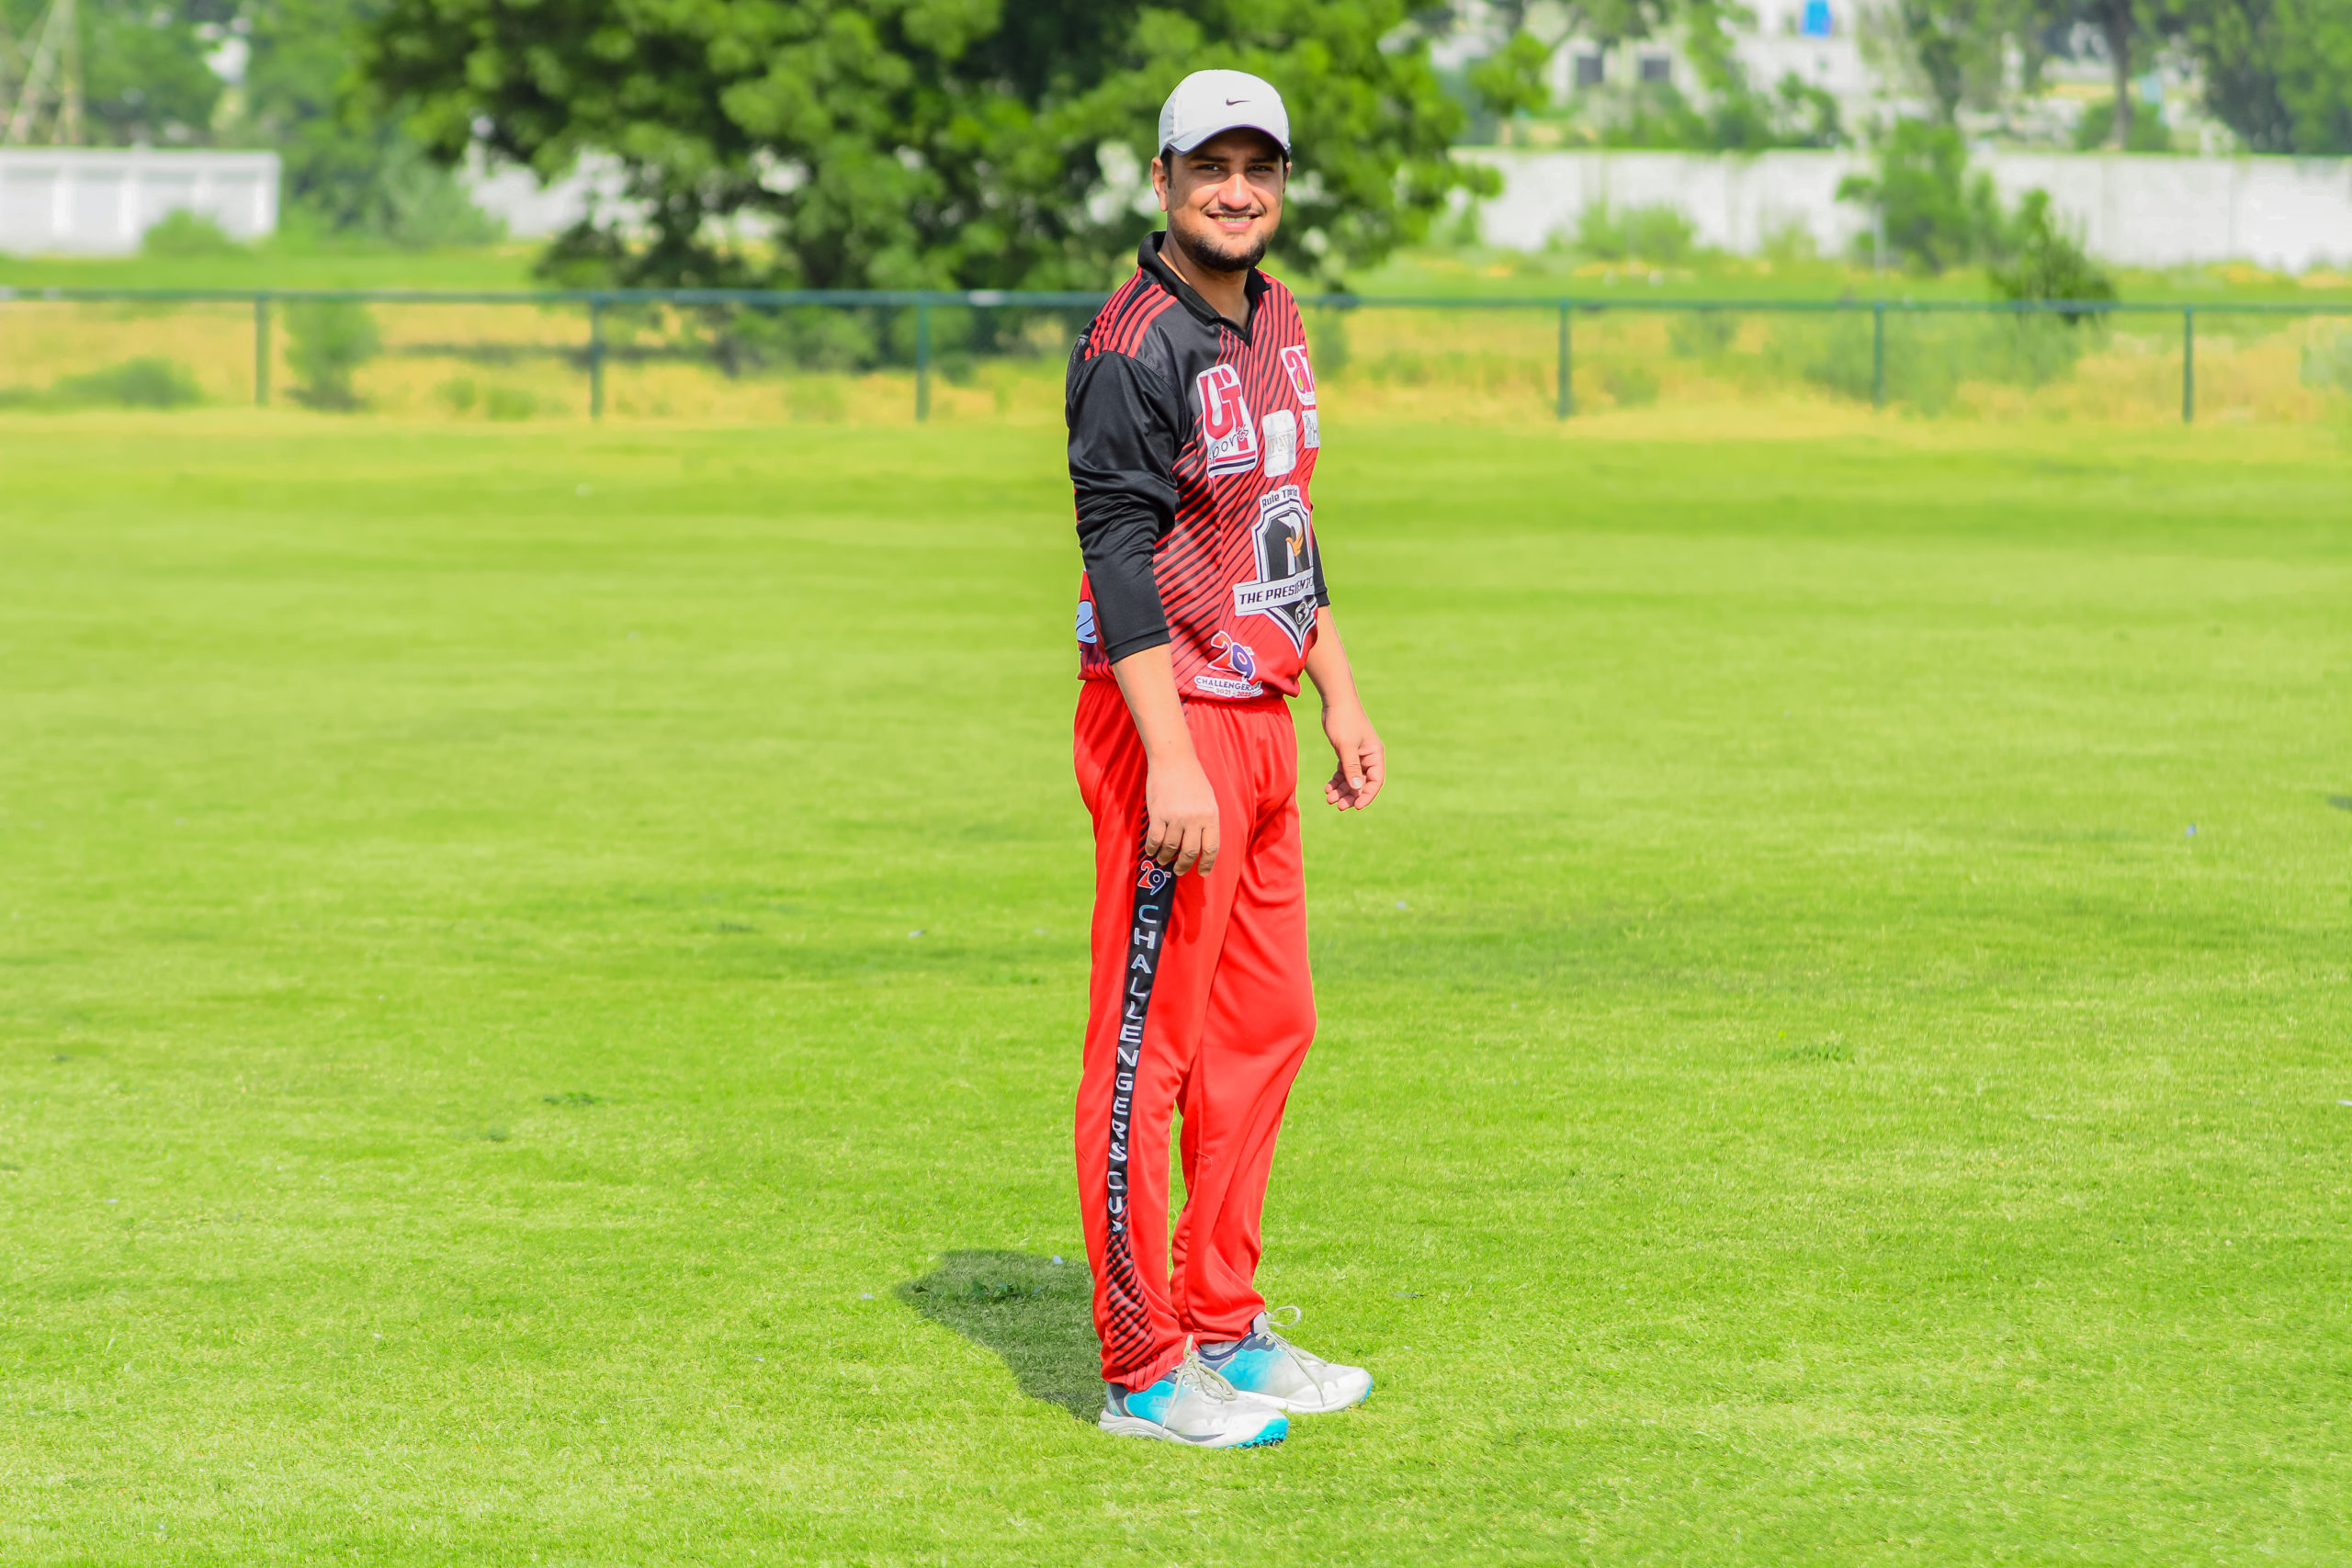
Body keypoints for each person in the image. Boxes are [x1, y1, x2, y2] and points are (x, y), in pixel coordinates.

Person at [1066, 68, 1385, 1450]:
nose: (1236, 191)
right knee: (1153, 1053)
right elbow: (1116, 553)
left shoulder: (1277, 317)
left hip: (1261, 714)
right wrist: (1172, 760)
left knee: (1267, 1027)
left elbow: (1281, 522)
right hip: (1169, 728)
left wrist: (1340, 693)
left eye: (1259, 167)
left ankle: (1221, 1320)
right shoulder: (1132, 345)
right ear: (1163, 181)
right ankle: (1143, 1370)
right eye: (1211, 167)